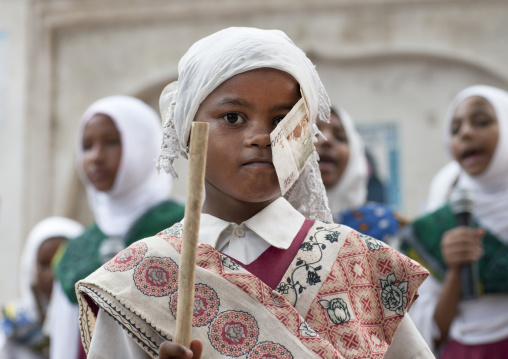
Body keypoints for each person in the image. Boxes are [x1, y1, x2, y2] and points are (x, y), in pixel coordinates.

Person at [75, 27, 433, 359]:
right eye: (233, 118)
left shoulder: (357, 264)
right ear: (187, 130)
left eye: (281, 121)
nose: (261, 137)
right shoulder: (139, 279)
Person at [51, 95, 185, 359]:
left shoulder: (183, 226)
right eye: (87, 146)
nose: (97, 157)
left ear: (144, 145)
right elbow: (64, 337)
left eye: (112, 142)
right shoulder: (78, 248)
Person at [400, 85, 508, 358]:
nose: (467, 133)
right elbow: (434, 328)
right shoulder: (443, 217)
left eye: (481, 121)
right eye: (455, 129)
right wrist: (455, 268)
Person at [0, 217, 83, 359]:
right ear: (31, 268)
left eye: (63, 264)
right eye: (44, 264)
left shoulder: (93, 324)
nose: (52, 275)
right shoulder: (14, 326)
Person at [316, 107, 401, 243]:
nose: (326, 140)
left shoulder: (379, 224)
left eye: (340, 137)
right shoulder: (275, 221)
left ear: (355, 157)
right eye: (313, 133)